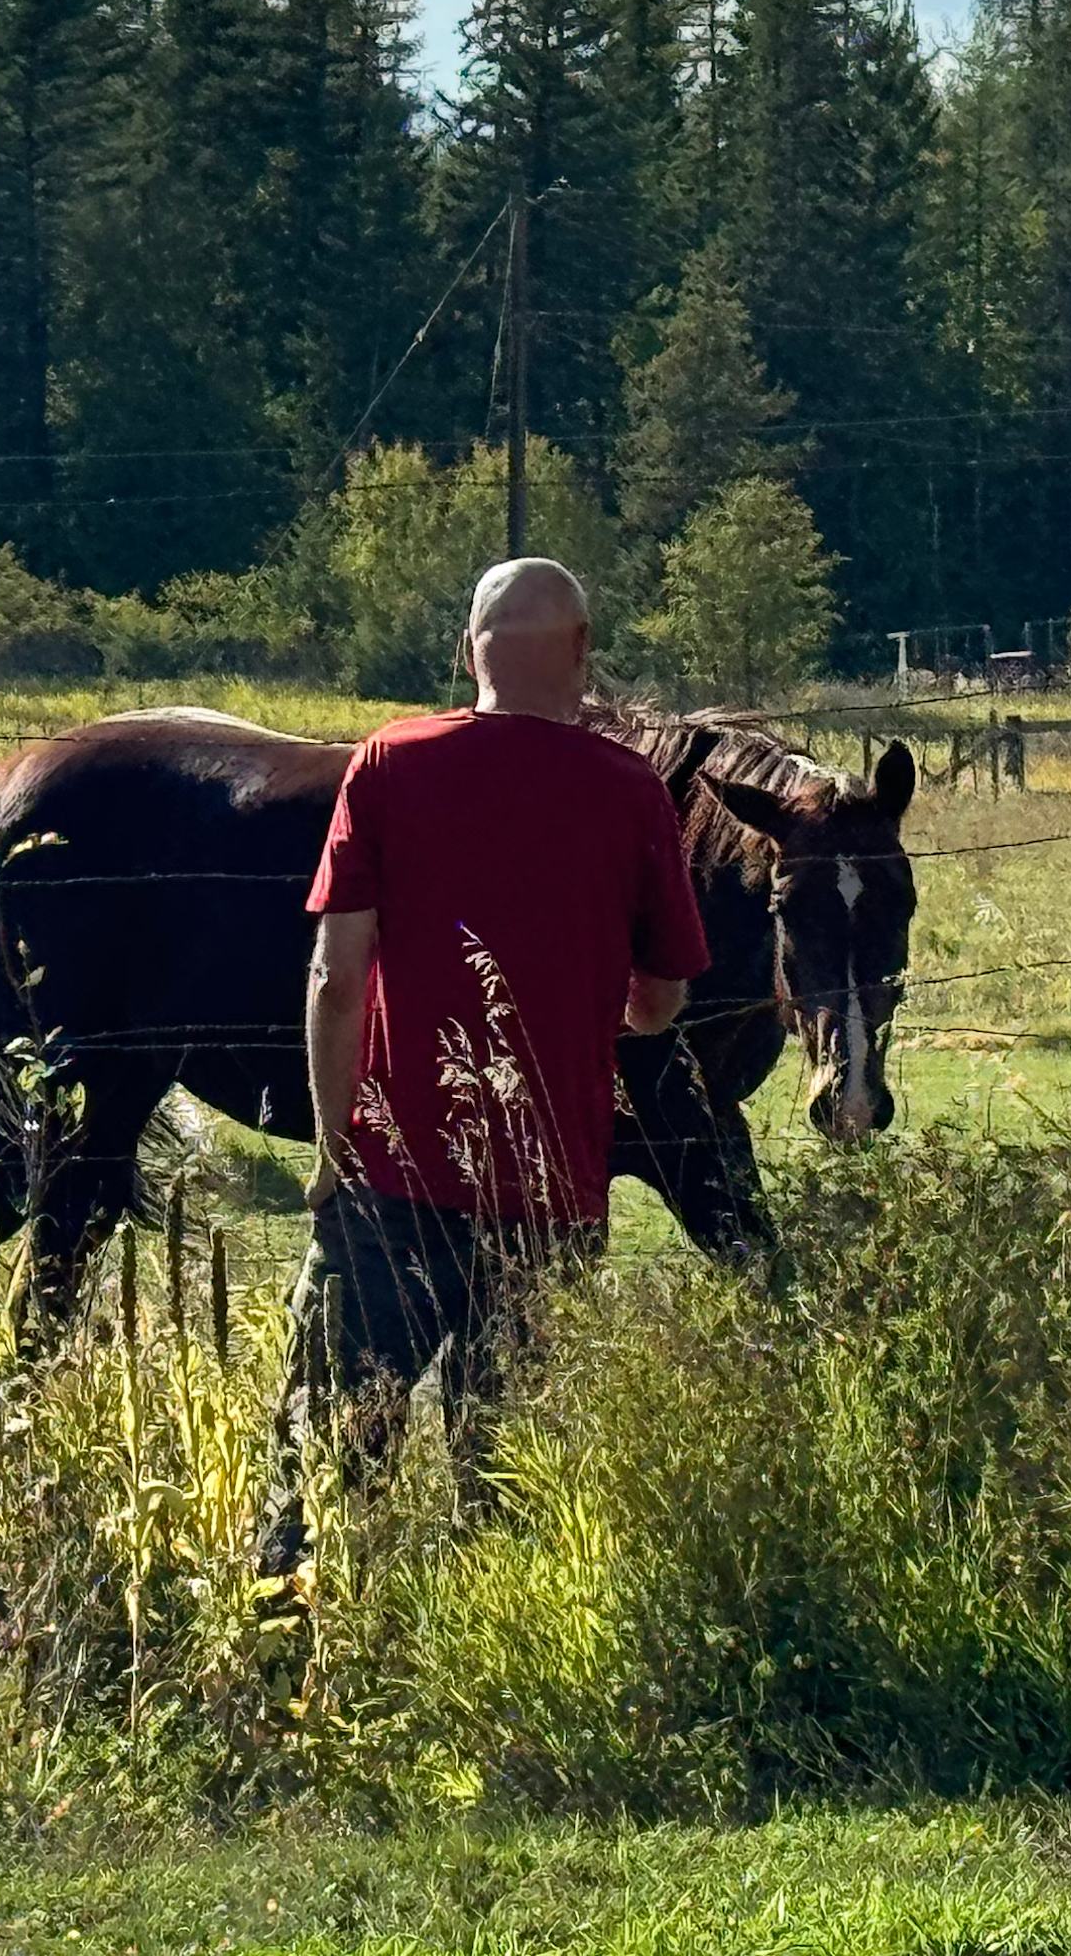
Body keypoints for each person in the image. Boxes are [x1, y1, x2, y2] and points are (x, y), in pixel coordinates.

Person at [251, 555, 709, 1597]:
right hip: (549, 1191)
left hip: (392, 1174)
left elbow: (335, 972)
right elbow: (662, 997)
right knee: (505, 1458)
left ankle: (295, 1638)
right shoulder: (631, 790)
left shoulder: (387, 765)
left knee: (327, 1446)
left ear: (470, 653)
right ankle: (487, 1639)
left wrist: (331, 1146)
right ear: (584, 654)